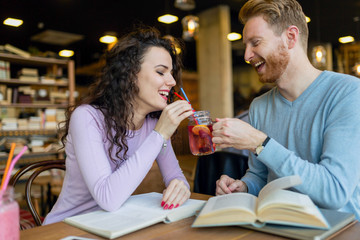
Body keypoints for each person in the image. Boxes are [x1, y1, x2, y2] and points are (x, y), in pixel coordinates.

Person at [213, 0, 360, 220]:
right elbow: (261, 177)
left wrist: (261, 143)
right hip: (279, 225)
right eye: (246, 45)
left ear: (290, 37)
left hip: (339, 230)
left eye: (255, 42)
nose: (246, 55)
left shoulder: (347, 93)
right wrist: (242, 187)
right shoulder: (260, 106)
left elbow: (334, 191)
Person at [43, 26, 194, 224]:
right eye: (161, 72)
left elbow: (175, 176)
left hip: (112, 225)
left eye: (172, 74)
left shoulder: (153, 123)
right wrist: (159, 134)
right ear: (130, 74)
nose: (172, 81)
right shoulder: (87, 118)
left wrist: (180, 187)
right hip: (68, 227)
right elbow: (108, 199)